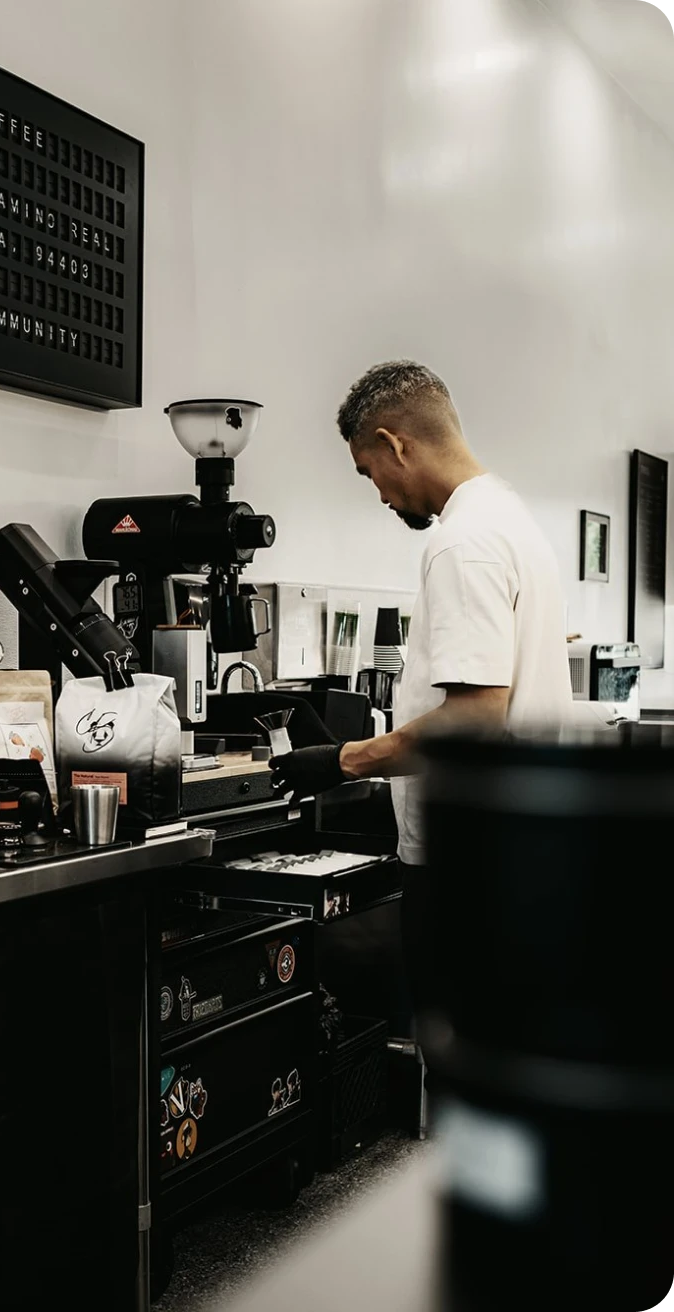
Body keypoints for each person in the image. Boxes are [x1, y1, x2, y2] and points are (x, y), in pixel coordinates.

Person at [269, 360, 573, 1021]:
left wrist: (343, 761)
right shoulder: (513, 519)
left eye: (367, 470)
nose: (377, 493)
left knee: (464, 1048)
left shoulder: (463, 543)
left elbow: (474, 719)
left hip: (473, 858)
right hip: (521, 842)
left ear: (394, 444)